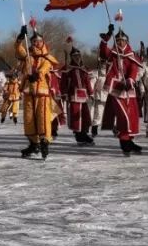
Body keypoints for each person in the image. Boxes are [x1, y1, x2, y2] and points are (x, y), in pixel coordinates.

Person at [15, 26, 62, 159]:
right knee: (29, 118)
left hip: (42, 93)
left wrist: (37, 74)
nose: (36, 43)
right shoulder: (27, 56)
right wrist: (19, 39)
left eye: (39, 41)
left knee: (42, 118)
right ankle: (33, 143)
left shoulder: (46, 57)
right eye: (34, 41)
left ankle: (44, 141)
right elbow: (19, 51)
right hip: (29, 92)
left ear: (43, 42)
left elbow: (45, 68)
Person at [100, 25, 143, 156]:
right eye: (117, 40)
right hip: (115, 89)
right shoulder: (112, 53)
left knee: (132, 116)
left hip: (128, 89)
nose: (120, 42)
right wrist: (107, 37)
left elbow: (134, 69)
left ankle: (129, 140)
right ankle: (124, 142)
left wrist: (130, 80)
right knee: (123, 116)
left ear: (127, 41)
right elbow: (103, 51)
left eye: (123, 40)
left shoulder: (132, 55)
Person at [60, 46, 94, 145]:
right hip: (73, 95)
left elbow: (87, 82)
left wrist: (91, 93)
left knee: (85, 115)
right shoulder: (68, 69)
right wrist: (64, 93)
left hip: (83, 95)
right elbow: (63, 83)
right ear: (71, 57)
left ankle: (84, 134)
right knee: (76, 117)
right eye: (75, 56)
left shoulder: (84, 68)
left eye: (78, 55)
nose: (77, 57)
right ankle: (79, 135)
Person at [89, 55, 110, 138]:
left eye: (105, 63)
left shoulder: (111, 72)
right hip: (99, 96)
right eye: (102, 63)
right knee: (98, 113)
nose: (103, 64)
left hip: (110, 96)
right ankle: (94, 129)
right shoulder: (96, 73)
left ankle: (116, 128)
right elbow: (91, 83)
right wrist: (91, 93)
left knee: (113, 114)